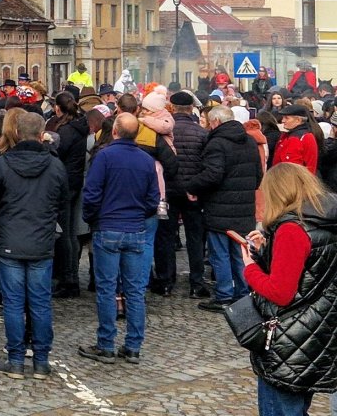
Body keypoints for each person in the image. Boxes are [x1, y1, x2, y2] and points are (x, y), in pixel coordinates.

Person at [242, 163, 337, 415]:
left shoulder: (291, 230)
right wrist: (266, 253)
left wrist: (250, 267)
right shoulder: (324, 222)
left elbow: (281, 292)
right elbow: (312, 274)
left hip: (290, 338)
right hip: (318, 333)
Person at [0, 111, 67, 379]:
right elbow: (62, 203)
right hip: (41, 240)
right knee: (40, 303)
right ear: (41, 133)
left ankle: (17, 360)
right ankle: (41, 361)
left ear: (17, 133)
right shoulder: (55, 165)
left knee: (13, 303)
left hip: (10, 238)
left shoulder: (3, 164)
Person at [80, 113, 159, 365]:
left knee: (107, 289)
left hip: (108, 228)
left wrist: (94, 218)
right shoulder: (146, 161)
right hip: (135, 228)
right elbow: (153, 200)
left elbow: (91, 194)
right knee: (134, 291)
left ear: (114, 131)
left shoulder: (104, 157)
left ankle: (106, 344)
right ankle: (133, 346)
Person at [184, 106, 264, 313]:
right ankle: (243, 294)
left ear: (216, 122)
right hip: (244, 209)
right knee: (240, 254)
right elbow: (258, 176)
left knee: (220, 255)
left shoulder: (217, 143)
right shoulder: (249, 141)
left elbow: (213, 175)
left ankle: (224, 296)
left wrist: (192, 186)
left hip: (219, 208)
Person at [169, 90, 210, 299]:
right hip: (194, 192)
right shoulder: (201, 132)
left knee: (166, 237)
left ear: (173, 108)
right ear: (191, 108)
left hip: (169, 190)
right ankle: (196, 282)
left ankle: (167, 281)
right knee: (195, 238)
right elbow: (205, 164)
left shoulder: (166, 131)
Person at [51, 90, 88, 298]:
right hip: (74, 180)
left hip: (66, 182)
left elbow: (58, 153)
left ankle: (68, 278)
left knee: (64, 233)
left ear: (58, 108)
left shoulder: (67, 131)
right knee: (70, 232)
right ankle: (70, 276)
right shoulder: (79, 125)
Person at [274, 104, 320, 174]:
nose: (283, 121)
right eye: (283, 117)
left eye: (286, 118)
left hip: (294, 181)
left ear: (298, 120)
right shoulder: (285, 135)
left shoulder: (306, 137)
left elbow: (310, 166)